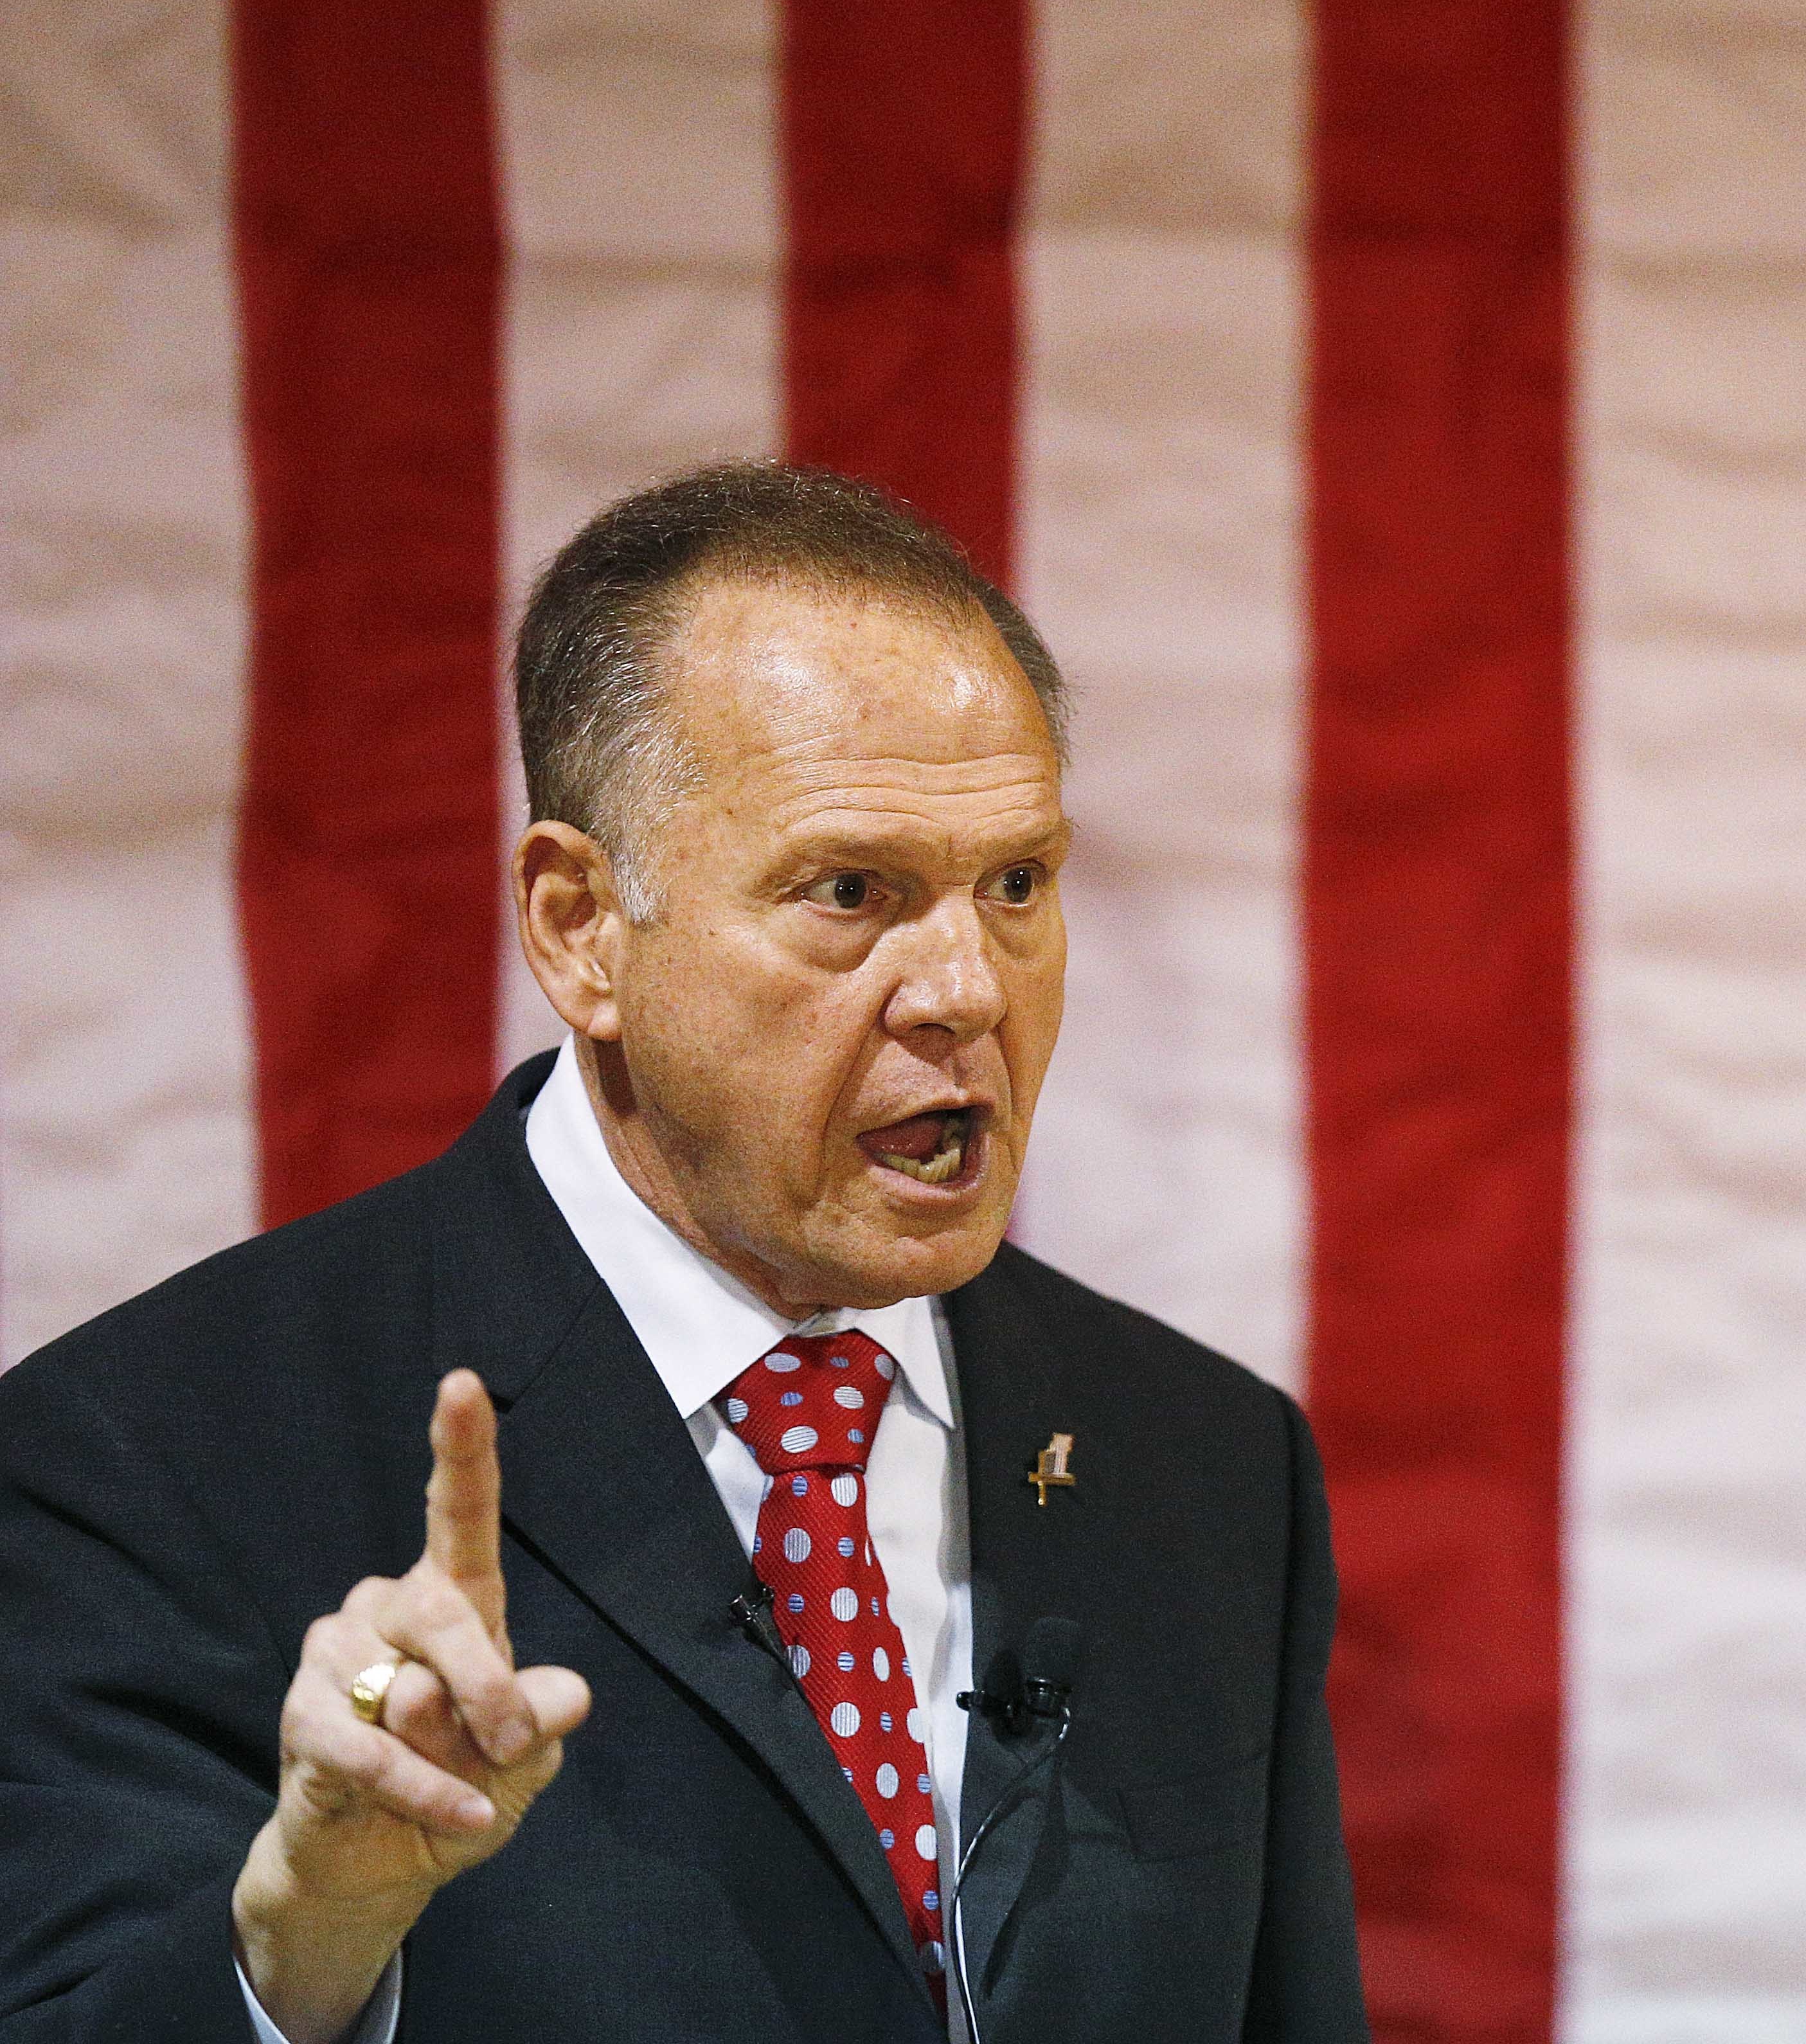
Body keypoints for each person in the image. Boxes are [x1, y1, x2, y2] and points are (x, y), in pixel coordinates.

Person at [0, 464, 1366, 2042]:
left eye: (1016, 884)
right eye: (851, 891)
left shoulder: (1209, 1465)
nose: (967, 990)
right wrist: (302, 1944)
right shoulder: (145, 1460)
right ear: (580, 926)